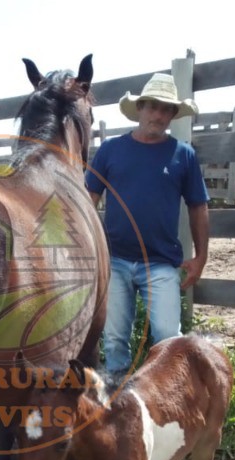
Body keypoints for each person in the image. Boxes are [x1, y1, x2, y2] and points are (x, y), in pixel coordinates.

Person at [85, 72, 210, 379]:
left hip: (162, 262)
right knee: (114, 338)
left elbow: (198, 206)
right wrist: (88, 252)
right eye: (152, 106)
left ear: (172, 115)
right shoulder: (111, 151)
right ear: (139, 108)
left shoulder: (183, 155)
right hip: (114, 259)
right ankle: (117, 400)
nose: (158, 114)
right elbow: (88, 201)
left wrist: (201, 256)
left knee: (169, 337)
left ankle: (165, 402)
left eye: (166, 109)